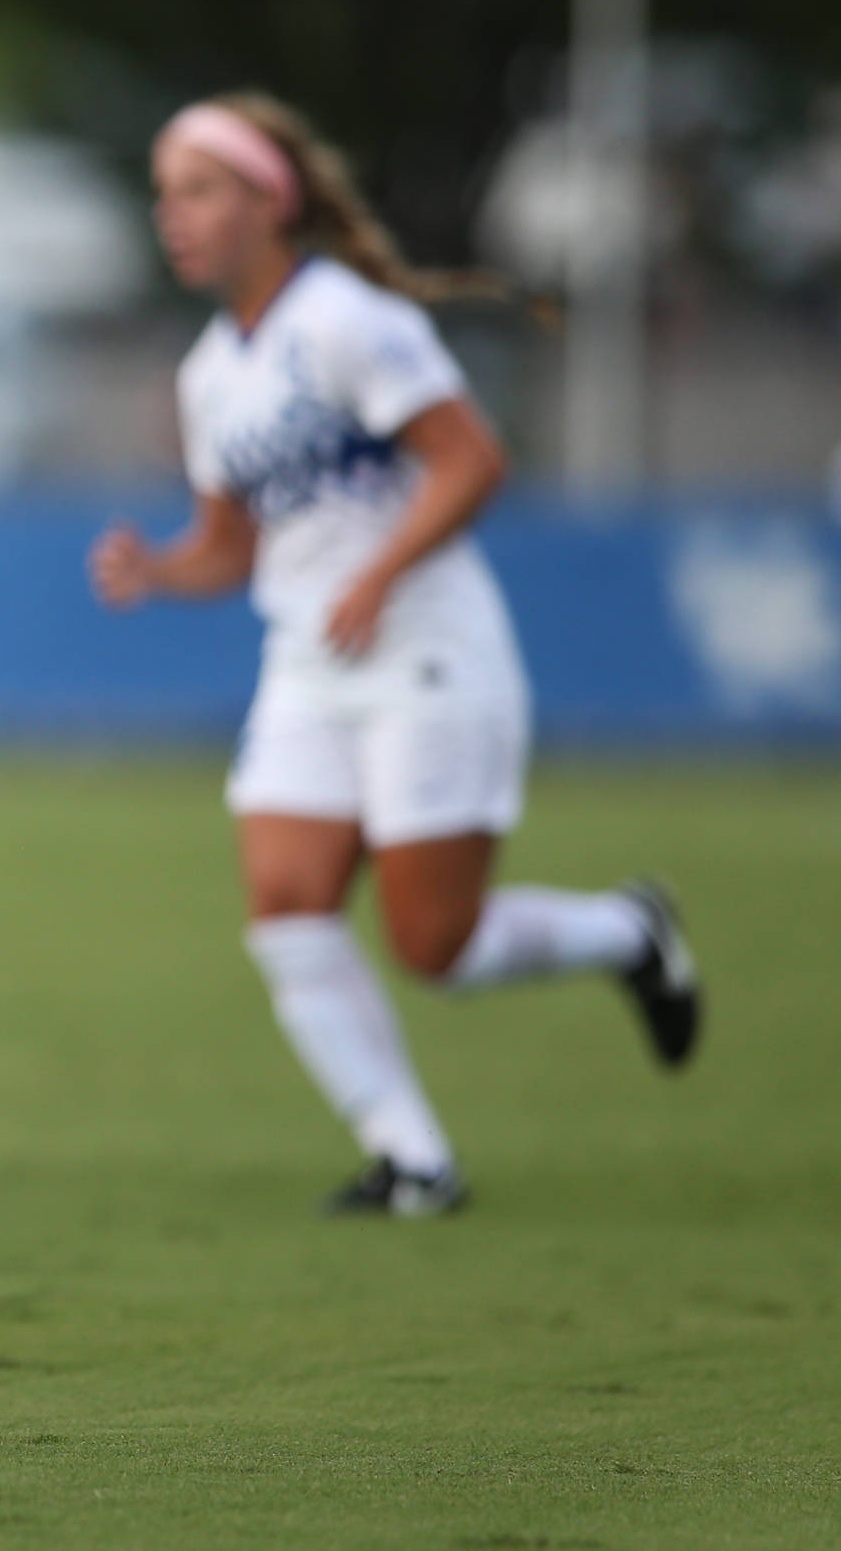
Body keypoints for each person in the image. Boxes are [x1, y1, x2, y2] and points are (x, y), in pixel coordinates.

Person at [90, 93, 703, 1218]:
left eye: (199, 188)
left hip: (427, 652)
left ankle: (629, 930)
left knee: (437, 946)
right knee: (285, 906)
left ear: (269, 202)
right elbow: (231, 548)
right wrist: (159, 571)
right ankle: (413, 1160)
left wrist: (378, 571)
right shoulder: (207, 375)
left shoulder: (344, 318)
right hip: (311, 662)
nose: (171, 214)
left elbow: (471, 461)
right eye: (163, 193)